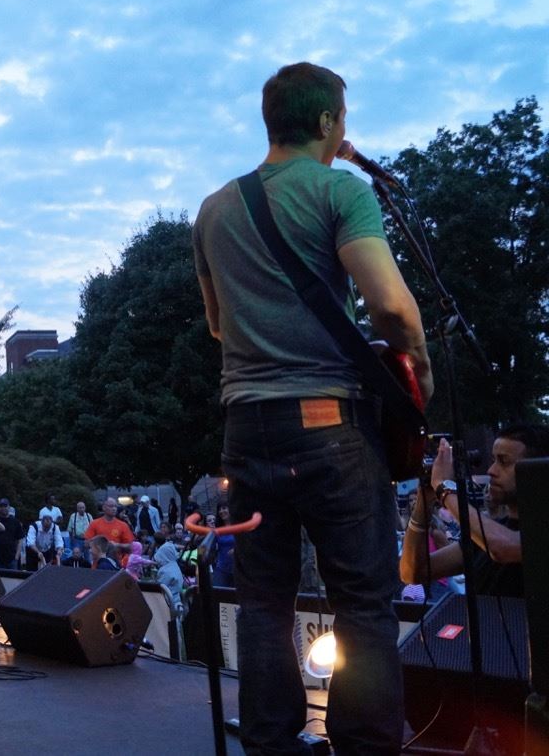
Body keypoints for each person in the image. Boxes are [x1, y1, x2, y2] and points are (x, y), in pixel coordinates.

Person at [193, 62, 433, 754]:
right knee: (363, 603)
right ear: (327, 121)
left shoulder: (214, 209)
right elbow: (391, 307)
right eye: (342, 119)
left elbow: (217, 325)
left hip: (246, 427)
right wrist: (419, 369)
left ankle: (270, 744)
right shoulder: (340, 191)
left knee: (263, 603)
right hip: (330, 423)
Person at [400, 425, 549, 597]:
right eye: (493, 460)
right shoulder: (486, 534)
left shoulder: (532, 532)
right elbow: (413, 572)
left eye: (504, 462)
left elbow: (503, 548)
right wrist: (424, 500)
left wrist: (443, 487)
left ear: (538, 468)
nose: (491, 471)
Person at [0, 498, 22, 569]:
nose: (3, 508)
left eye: (5, 506)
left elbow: (20, 540)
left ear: (9, 507)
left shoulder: (15, 522)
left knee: (13, 576)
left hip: (12, 559)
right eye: (1, 506)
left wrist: (16, 557)